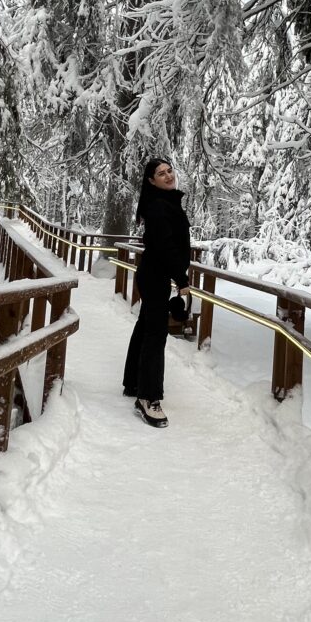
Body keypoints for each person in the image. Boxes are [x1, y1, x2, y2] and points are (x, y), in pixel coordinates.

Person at [123, 157, 191, 428]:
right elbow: (165, 246)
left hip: (154, 274)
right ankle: (148, 397)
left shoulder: (164, 202)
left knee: (146, 326)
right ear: (151, 180)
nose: (168, 175)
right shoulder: (159, 206)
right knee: (155, 334)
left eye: (169, 171)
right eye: (161, 173)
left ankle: (133, 383)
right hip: (155, 276)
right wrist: (181, 279)